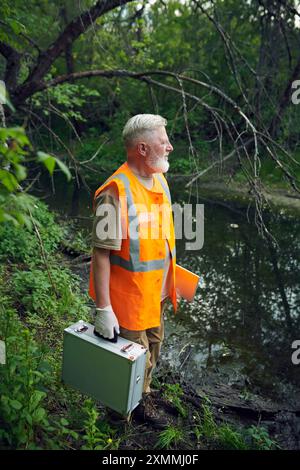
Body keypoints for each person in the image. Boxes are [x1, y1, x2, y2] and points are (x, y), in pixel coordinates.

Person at [88, 114, 177, 428]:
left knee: (153, 350)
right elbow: (100, 256)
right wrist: (103, 309)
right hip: (127, 300)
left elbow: (158, 240)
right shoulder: (114, 192)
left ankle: (144, 397)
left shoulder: (158, 179)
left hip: (155, 294)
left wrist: (174, 281)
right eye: (162, 141)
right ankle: (118, 421)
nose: (169, 146)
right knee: (130, 363)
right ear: (142, 148)